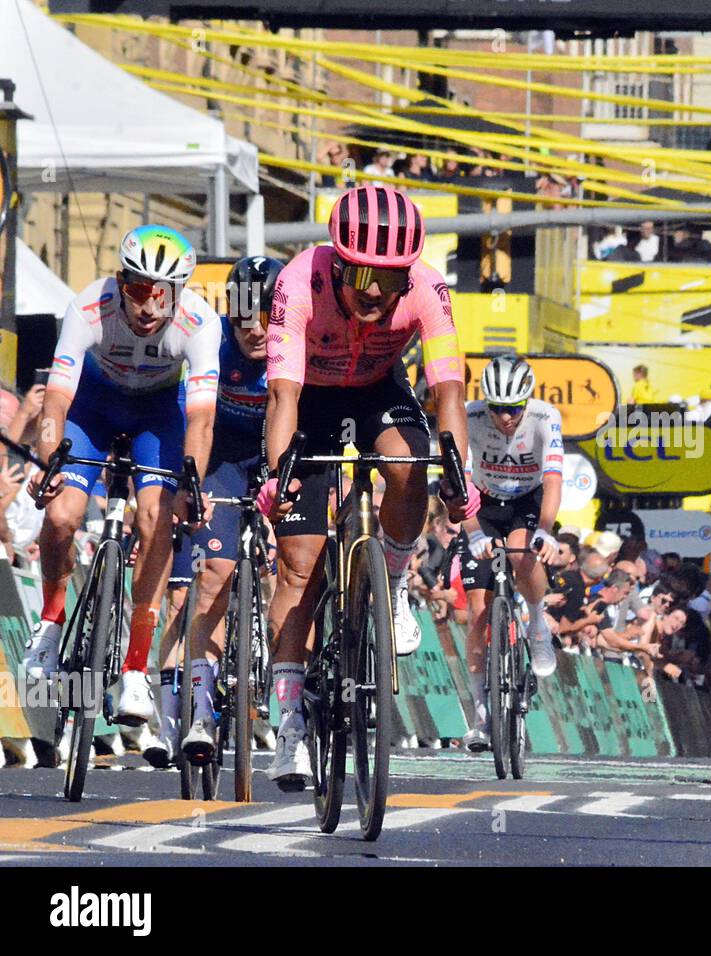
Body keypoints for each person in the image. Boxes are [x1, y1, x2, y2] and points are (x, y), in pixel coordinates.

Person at [260, 184, 473, 790]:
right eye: (361, 275)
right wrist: (281, 479)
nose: (375, 291)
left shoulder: (430, 289)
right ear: (338, 261)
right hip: (310, 400)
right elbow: (283, 396)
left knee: (414, 466)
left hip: (380, 390)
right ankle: (292, 722)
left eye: (389, 277)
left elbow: (449, 393)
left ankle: (396, 581)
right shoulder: (299, 283)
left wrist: (458, 475)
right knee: (299, 570)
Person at [23, 226, 219, 732]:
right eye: (138, 289)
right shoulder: (89, 306)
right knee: (63, 513)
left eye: (163, 293)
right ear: (119, 281)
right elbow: (57, 400)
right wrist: (49, 461)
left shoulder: (201, 322)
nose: (149, 305)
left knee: (157, 520)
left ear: (179, 293)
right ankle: (50, 621)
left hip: (161, 412)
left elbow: (200, 420)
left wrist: (191, 483)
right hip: (94, 404)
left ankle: (136, 668)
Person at [147, 256, 281, 769]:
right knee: (212, 579)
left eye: (268, 316)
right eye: (246, 318)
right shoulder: (212, 340)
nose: (257, 330)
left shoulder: (296, 344)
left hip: (272, 453)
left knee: (295, 564)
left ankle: (291, 673)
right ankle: (200, 710)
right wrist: (190, 483)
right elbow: (193, 422)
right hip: (220, 456)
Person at [459, 355, 563, 751]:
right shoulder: (469, 417)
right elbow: (461, 480)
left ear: (527, 400)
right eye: (497, 408)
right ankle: (481, 715)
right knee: (477, 613)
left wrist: (546, 531)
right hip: (481, 505)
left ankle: (537, 624)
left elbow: (553, 479)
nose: (505, 417)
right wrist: (472, 533)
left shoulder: (544, 416)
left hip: (527, 501)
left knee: (523, 555)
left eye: (513, 408)